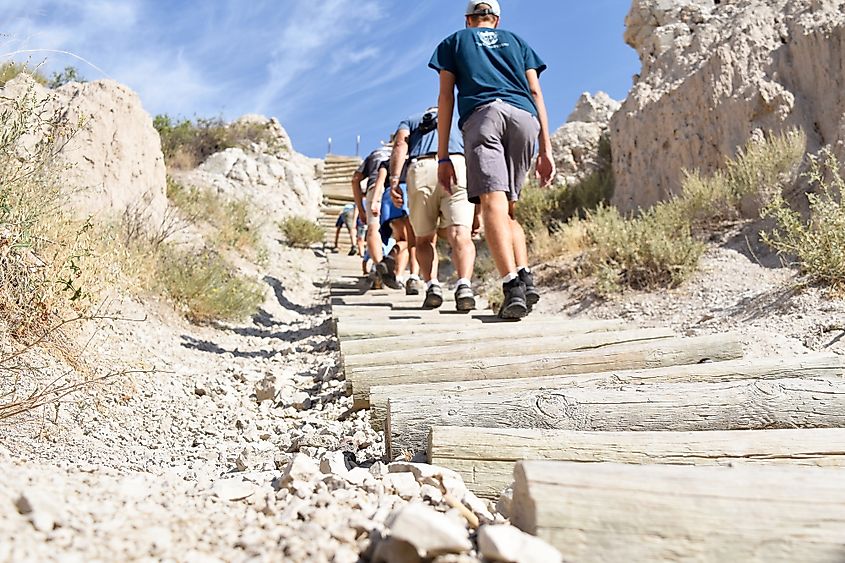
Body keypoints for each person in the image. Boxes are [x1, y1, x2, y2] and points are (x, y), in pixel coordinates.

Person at [429, 0, 555, 319]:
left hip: (484, 116)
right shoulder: (518, 42)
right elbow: (536, 93)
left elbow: (445, 97)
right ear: (496, 20)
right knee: (510, 207)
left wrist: (443, 156)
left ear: (469, 20)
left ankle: (511, 286)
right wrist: (546, 149)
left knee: (491, 203)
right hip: (524, 119)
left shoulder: (454, 41)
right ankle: (525, 274)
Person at [389, 106, 477, 311]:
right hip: (457, 165)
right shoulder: (458, 120)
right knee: (460, 234)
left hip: (422, 168)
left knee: (423, 238)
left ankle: (432, 286)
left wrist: (394, 181)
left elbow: (400, 144)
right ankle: (464, 285)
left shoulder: (410, 120)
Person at [351, 145, 403, 289]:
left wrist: (361, 210)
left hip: (374, 189)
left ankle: (379, 265)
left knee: (373, 229)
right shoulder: (404, 151)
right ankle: (396, 270)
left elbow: (355, 179)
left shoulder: (374, 154)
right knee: (402, 236)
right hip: (396, 189)